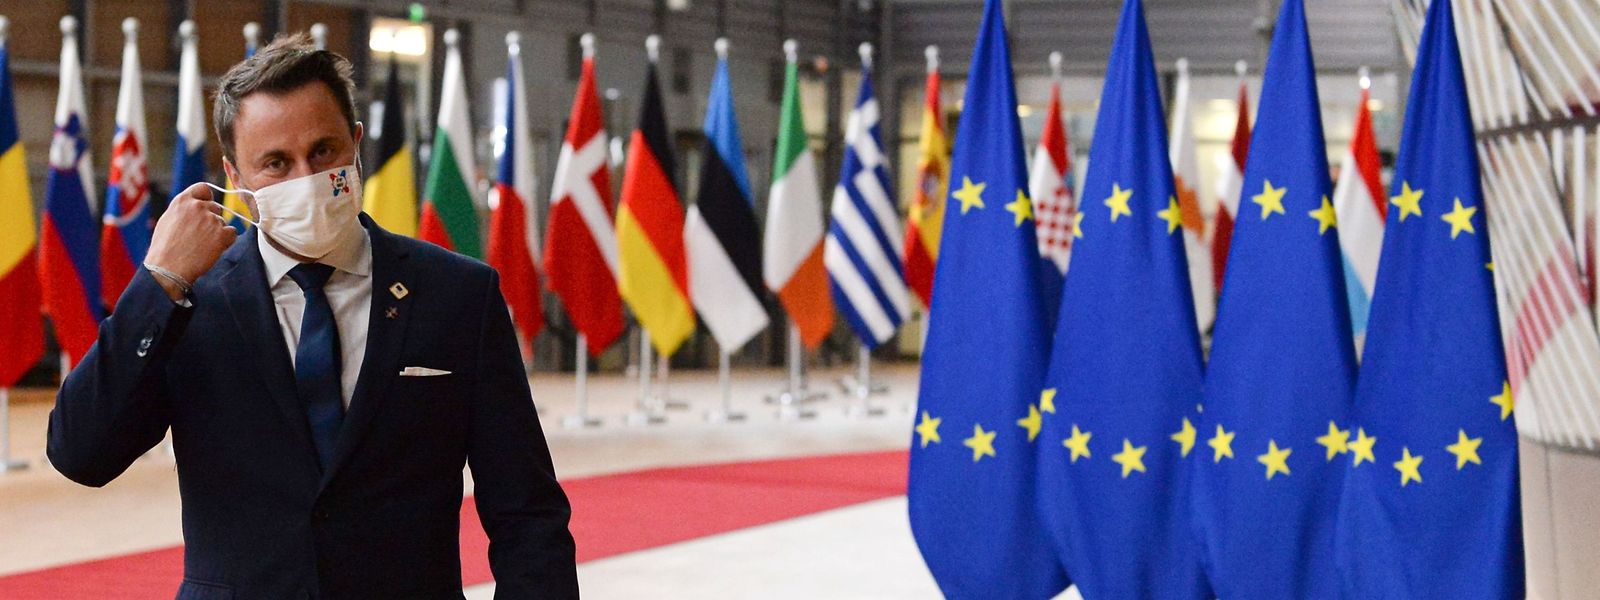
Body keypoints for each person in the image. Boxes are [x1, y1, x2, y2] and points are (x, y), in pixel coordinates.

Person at [46, 33, 577, 599]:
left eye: (324, 151)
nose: (306, 178)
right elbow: (82, 454)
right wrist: (159, 283)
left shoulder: (457, 294)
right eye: (276, 163)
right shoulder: (190, 301)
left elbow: (527, 513)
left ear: (356, 143)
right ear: (235, 177)